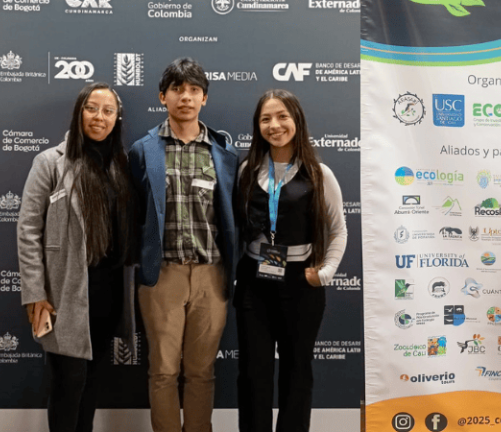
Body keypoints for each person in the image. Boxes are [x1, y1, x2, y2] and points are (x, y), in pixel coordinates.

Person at [18, 82, 138, 432]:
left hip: (107, 292)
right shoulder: (49, 162)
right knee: (68, 385)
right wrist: (36, 293)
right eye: (91, 108)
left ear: (117, 119)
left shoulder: (120, 165)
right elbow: (27, 231)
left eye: (107, 111)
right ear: (79, 111)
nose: (99, 117)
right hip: (64, 294)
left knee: (91, 385)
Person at [128, 58, 238, 432]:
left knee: (202, 372)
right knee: (162, 371)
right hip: (163, 276)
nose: (185, 97)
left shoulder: (223, 153)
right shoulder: (144, 150)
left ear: (204, 98)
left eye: (193, 90)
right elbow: (133, 214)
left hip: (212, 274)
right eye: (177, 89)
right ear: (163, 97)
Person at [235, 89, 347, 432]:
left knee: (297, 370)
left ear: (297, 120)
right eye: (266, 118)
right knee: (254, 372)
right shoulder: (247, 169)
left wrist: (325, 273)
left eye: (282, 116)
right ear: (258, 126)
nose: (275, 125)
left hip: (301, 282)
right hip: (255, 282)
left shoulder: (319, 173)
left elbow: (339, 229)